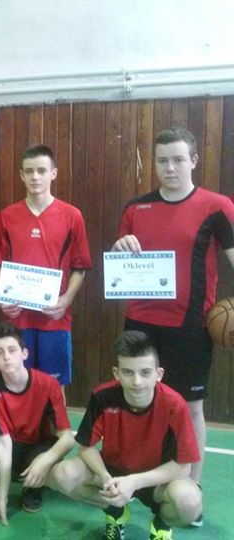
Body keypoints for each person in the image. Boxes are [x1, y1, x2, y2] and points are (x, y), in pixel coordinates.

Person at [111, 127, 234, 504]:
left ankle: (191, 487)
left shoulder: (217, 207)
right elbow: (120, 264)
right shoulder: (135, 209)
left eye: (178, 159)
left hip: (190, 327)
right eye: (162, 160)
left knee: (191, 406)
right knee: (138, 400)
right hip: (140, 323)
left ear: (193, 160)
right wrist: (119, 247)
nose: (170, 167)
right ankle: (137, 479)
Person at [50, 330, 202, 540]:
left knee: (189, 503)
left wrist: (134, 482)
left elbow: (183, 467)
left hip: (156, 479)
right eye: (128, 372)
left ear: (158, 374)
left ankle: (162, 525)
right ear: (117, 373)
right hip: (113, 474)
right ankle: (115, 511)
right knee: (63, 475)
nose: (137, 381)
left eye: (145, 372)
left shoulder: (174, 405)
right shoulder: (102, 397)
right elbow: (86, 447)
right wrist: (106, 478)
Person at [0, 322, 73, 525]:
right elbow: (3, 442)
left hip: (38, 445)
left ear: (24, 353)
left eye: (12, 350)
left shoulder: (48, 385)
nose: (7, 357)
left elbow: (68, 438)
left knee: (60, 473)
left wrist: (45, 460)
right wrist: (3, 498)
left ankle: (33, 486)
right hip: (6, 443)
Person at [0, 144, 91, 392]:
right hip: (18, 318)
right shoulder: (7, 216)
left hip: (54, 319)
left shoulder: (72, 216)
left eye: (41, 170)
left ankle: (56, 421)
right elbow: (0, 265)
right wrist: (3, 298)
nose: (35, 177)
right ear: (21, 175)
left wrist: (66, 300)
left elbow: (79, 267)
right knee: (17, 383)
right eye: (29, 171)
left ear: (53, 173)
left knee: (53, 387)